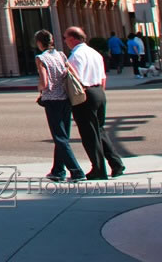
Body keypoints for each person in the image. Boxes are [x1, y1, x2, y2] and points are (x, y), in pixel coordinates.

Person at [63, 26, 126, 179]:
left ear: (73, 38)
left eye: (65, 38)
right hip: (99, 91)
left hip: (85, 94)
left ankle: (98, 169)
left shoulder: (76, 56)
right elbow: (103, 77)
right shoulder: (94, 53)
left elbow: (74, 79)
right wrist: (100, 92)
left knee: (89, 134)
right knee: (99, 130)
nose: (65, 41)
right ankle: (116, 163)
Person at [33, 30, 85, 182]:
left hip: (52, 100)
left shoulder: (41, 58)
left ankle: (76, 171)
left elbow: (45, 82)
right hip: (65, 98)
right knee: (63, 136)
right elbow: (73, 72)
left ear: (39, 43)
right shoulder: (61, 55)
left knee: (59, 137)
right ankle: (58, 170)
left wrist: (39, 89)